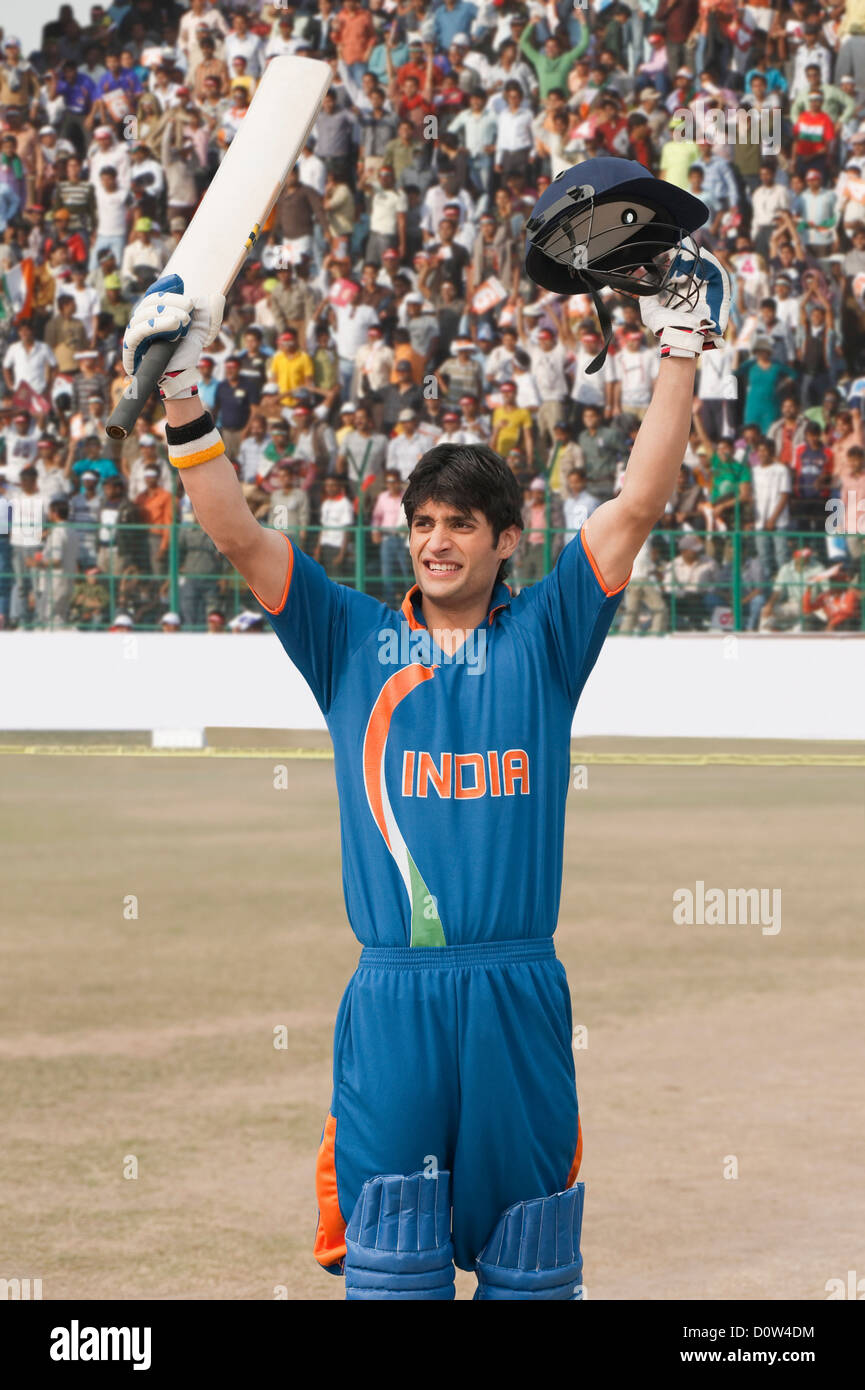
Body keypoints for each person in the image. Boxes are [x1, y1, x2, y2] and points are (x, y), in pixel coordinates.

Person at [120, 231, 730, 1298]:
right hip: (394, 999)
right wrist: (178, 390)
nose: (436, 542)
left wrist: (679, 340)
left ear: (507, 538)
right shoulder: (349, 637)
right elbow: (236, 533)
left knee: (531, 1269)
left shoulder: (545, 635)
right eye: (422, 524)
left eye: (460, 525)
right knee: (390, 1270)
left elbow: (637, 499)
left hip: (517, 990)